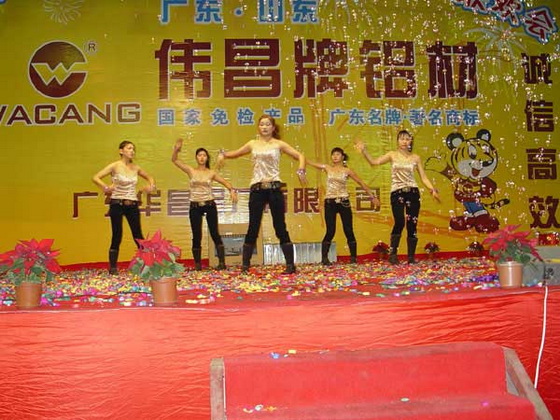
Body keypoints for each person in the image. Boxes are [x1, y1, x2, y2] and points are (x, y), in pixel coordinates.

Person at [216, 114, 307, 274]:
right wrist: (222, 154)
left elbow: (300, 155)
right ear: (258, 127)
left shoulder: (278, 144)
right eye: (262, 124)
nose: (264, 127)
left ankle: (290, 265)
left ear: (273, 127)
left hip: (274, 188)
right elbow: (235, 153)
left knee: (280, 227)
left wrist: (301, 169)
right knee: (253, 226)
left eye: (267, 124)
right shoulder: (252, 144)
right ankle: (245, 266)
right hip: (257, 189)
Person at [356, 130, 440, 264]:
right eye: (402, 139)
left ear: (411, 141)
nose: (404, 141)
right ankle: (393, 254)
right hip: (397, 192)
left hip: (413, 192)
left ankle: (411, 257)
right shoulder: (392, 155)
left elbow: (423, 177)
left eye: (407, 139)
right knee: (399, 221)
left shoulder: (415, 157)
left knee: (412, 224)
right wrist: (364, 151)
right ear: (397, 141)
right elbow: (374, 162)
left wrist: (432, 189)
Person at [171, 139, 238, 270]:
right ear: (196, 158)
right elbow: (175, 160)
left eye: (204, 155)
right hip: (195, 206)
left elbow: (226, 183)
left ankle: (222, 263)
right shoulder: (191, 170)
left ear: (207, 158)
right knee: (196, 235)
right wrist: (176, 150)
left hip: (209, 204)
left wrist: (232, 191)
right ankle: (198, 265)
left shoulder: (211, 172)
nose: (202, 157)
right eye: (199, 155)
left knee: (214, 233)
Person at [307, 147, 380, 265]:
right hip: (330, 202)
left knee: (348, 230)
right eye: (333, 154)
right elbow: (311, 163)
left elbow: (361, 182)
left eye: (337, 154)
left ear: (342, 157)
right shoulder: (327, 168)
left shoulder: (347, 171)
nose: (335, 156)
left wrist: (372, 197)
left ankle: (353, 258)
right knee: (330, 230)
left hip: (343, 202)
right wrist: (301, 158)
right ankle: (324, 259)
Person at [92, 141, 156, 274]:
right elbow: (96, 177)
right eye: (129, 148)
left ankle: (148, 264)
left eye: (133, 149)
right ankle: (113, 267)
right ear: (121, 151)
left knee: (137, 234)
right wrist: (106, 187)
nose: (132, 151)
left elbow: (149, 177)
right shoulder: (115, 166)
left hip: (132, 203)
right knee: (117, 234)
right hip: (117, 203)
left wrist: (151, 185)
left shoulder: (136, 167)